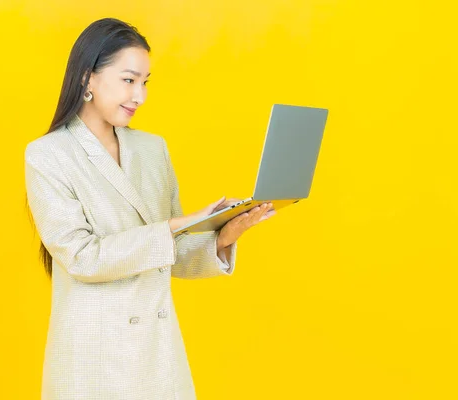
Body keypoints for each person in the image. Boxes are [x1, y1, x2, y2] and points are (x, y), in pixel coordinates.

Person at [24, 17, 276, 400]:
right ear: (87, 78)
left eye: (145, 82)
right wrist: (177, 223)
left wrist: (222, 237)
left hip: (157, 356)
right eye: (129, 80)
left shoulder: (151, 149)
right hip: (94, 359)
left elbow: (166, 254)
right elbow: (81, 257)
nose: (140, 96)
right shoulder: (49, 155)